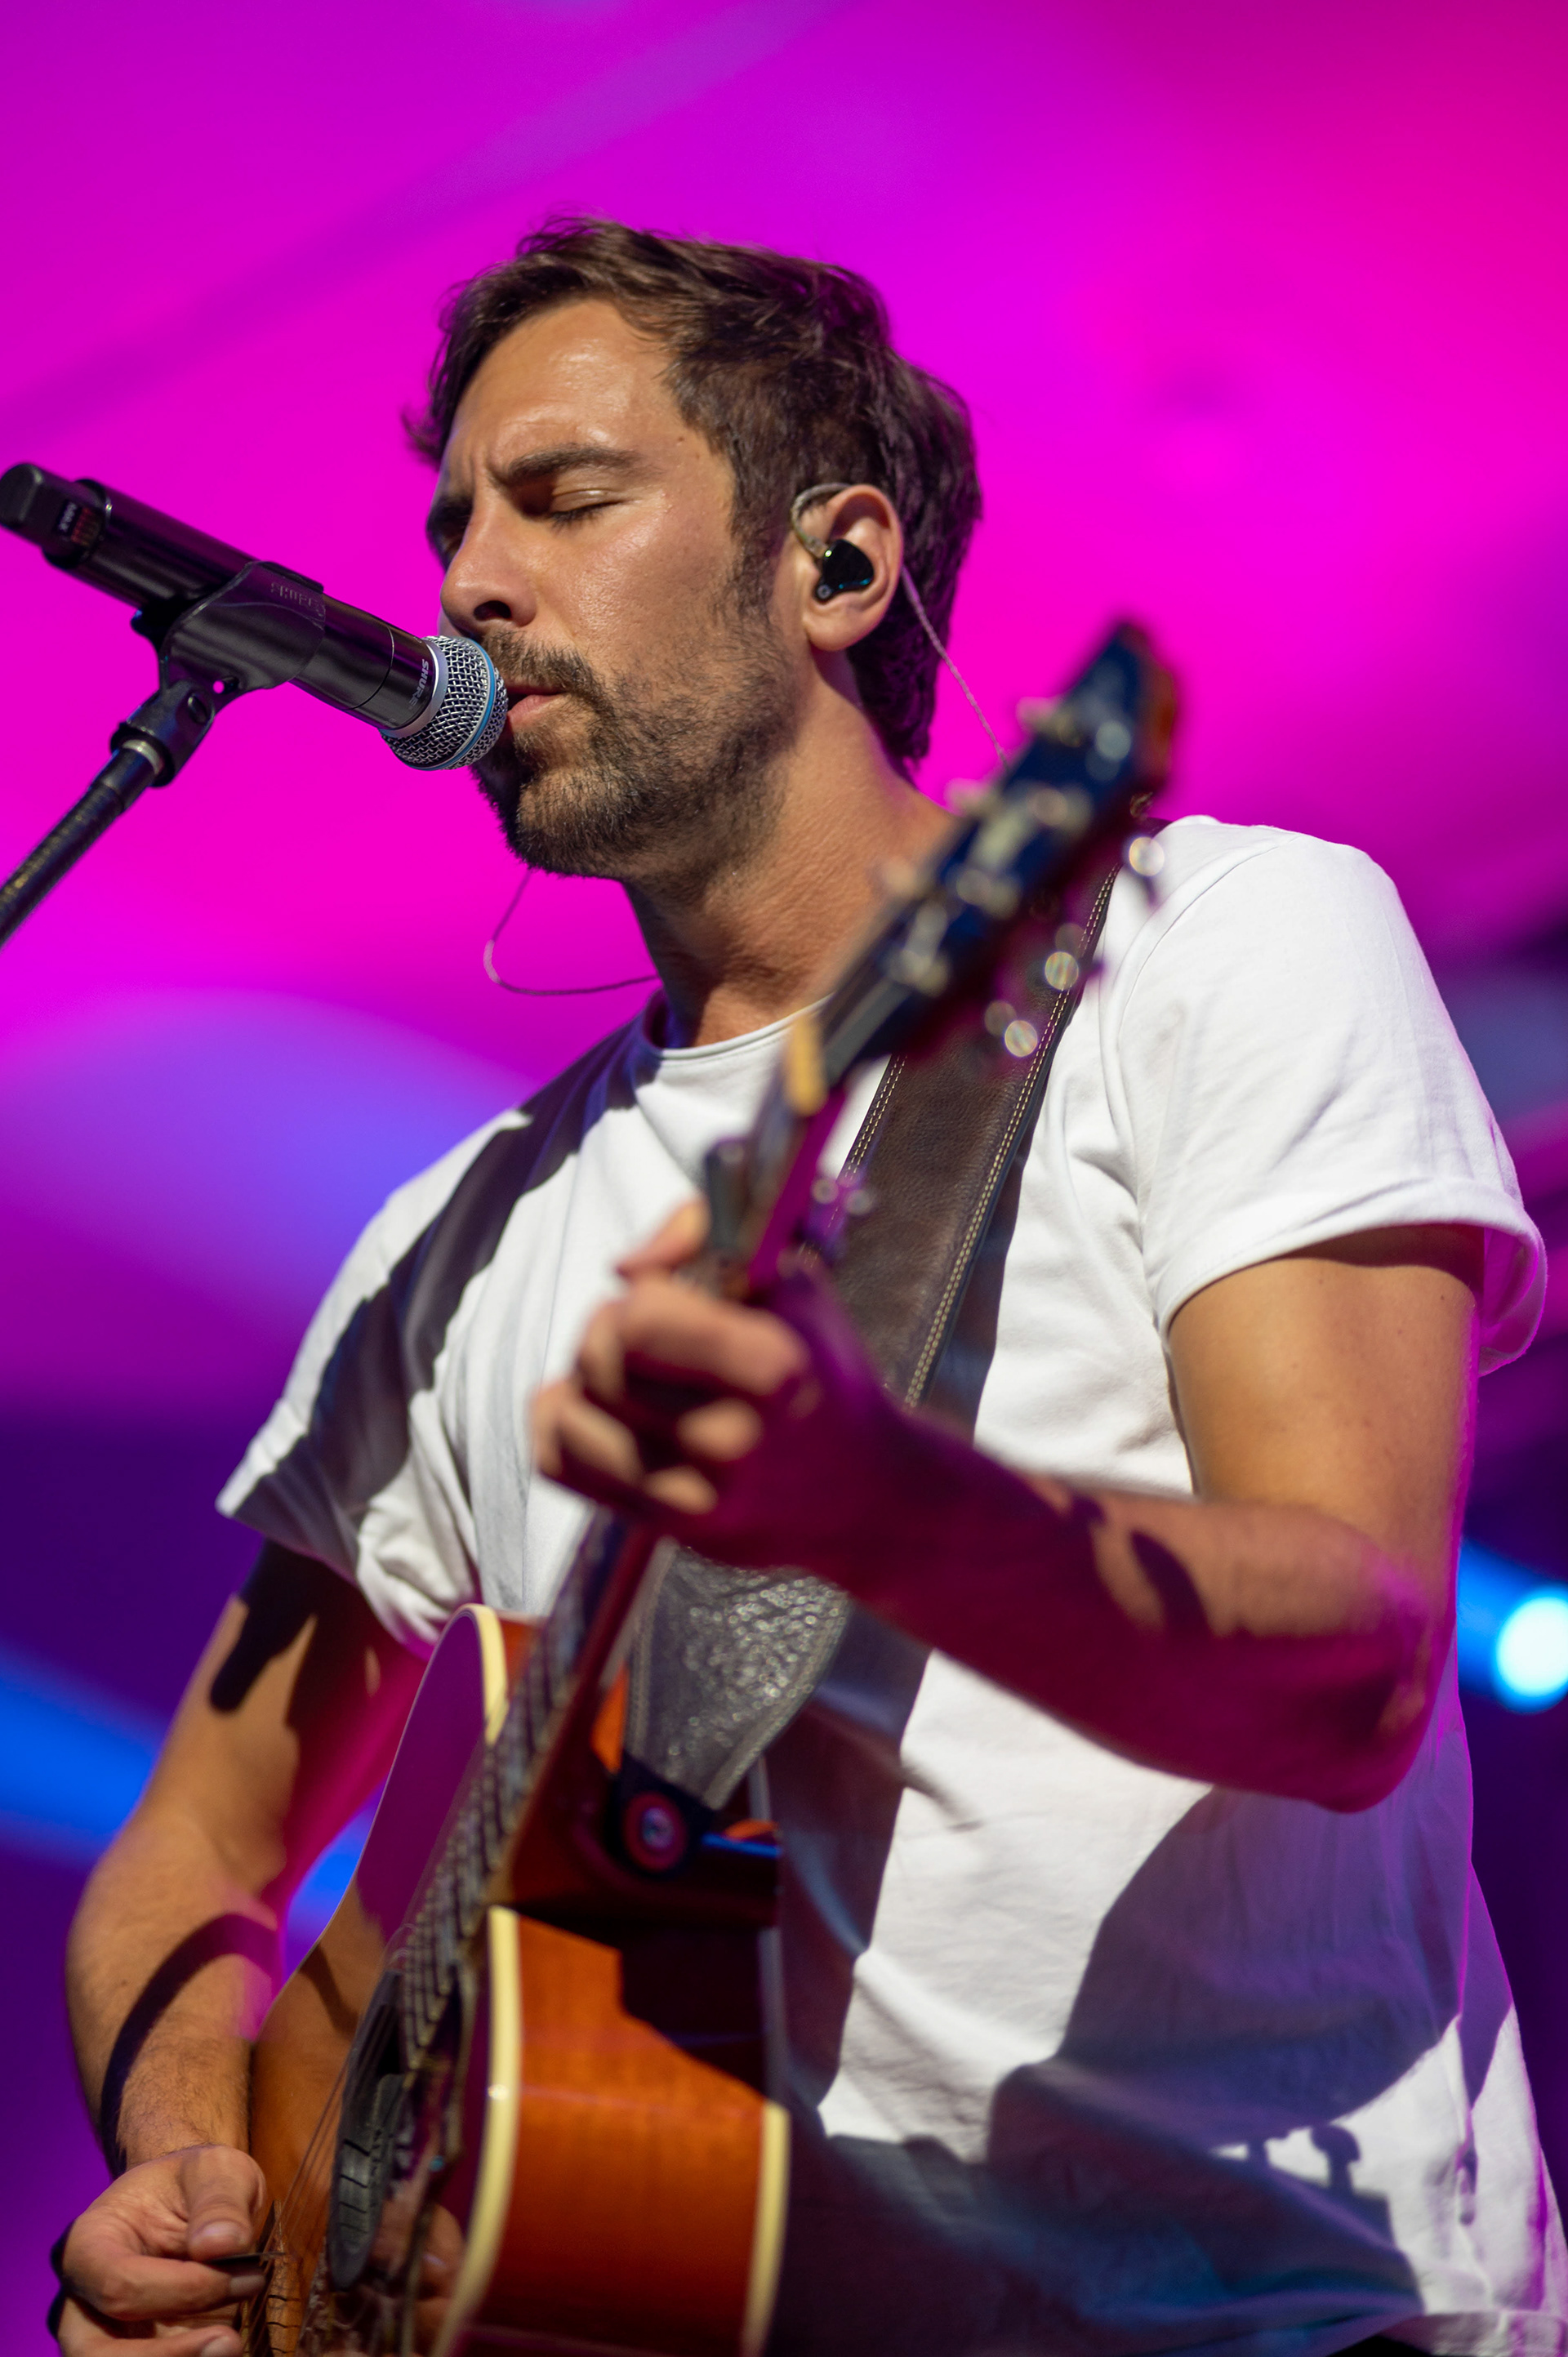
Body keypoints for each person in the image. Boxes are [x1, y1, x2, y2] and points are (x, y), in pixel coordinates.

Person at [52, 218, 1566, 2357]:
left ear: (837, 565)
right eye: (455, 523)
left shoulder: (1216, 945)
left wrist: (882, 1508)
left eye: (564, 497)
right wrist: (198, 2171)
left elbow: (1355, 1673)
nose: (472, 583)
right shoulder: (461, 1237)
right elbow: (194, 1847)